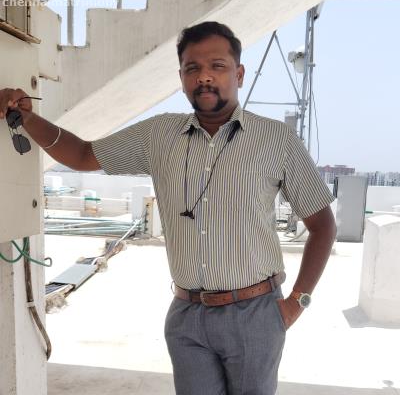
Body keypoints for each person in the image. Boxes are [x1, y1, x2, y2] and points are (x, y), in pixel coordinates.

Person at [0, 21, 336, 395]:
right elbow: (82, 154)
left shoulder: (276, 139)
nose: (204, 76)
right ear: (181, 78)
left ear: (239, 74)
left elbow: (323, 225)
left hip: (255, 315)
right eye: (193, 68)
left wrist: (296, 302)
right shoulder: (158, 135)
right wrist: (28, 118)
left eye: (217, 66)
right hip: (187, 317)